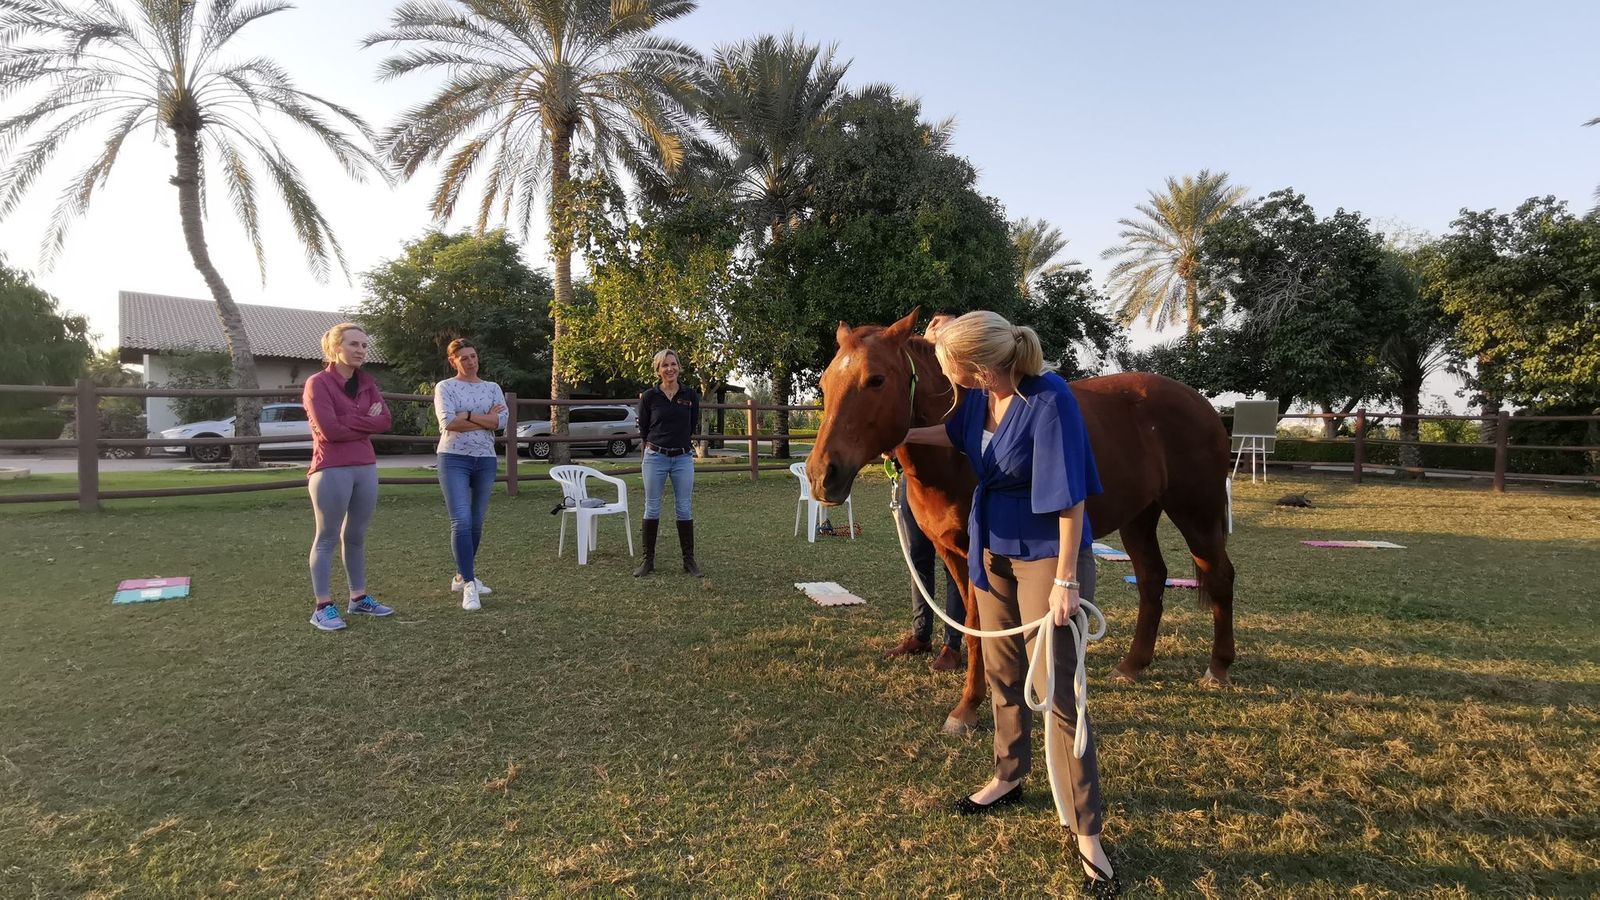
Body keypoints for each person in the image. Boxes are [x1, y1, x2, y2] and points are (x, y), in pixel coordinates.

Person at [902, 311, 1120, 895]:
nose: (955, 382)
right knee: (1001, 672)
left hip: (1047, 553)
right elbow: (952, 436)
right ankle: (1008, 773)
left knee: (1057, 688)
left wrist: (1067, 580)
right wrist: (896, 437)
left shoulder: (1049, 400)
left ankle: (1086, 828)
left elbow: (1070, 500)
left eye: (957, 371)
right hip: (989, 548)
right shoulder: (976, 399)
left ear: (982, 365)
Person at [885, 310, 967, 672]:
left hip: (951, 478)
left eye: (944, 324)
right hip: (913, 478)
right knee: (918, 554)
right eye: (933, 323)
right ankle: (921, 632)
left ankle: (954, 642)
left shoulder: (958, 375)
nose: (935, 326)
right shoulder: (913, 366)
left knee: (954, 559)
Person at [303, 323, 395, 632]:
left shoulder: (368, 383)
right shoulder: (318, 384)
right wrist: (362, 421)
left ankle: (358, 598)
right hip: (330, 468)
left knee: (355, 536)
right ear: (335, 348)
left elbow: (384, 421)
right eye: (354, 344)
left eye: (364, 346)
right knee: (327, 536)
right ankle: (323, 607)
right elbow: (329, 430)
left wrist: (351, 421)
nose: (360, 350)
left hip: (365, 466)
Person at [433, 339, 508, 612]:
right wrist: (481, 416)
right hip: (453, 458)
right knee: (461, 520)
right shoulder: (445, 387)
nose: (470, 361)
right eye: (463, 358)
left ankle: (461, 576)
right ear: (453, 361)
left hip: (485, 460)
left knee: (476, 522)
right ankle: (469, 584)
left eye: (473, 356)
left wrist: (467, 414)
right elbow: (448, 422)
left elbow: (499, 423)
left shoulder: (492, 388)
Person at [633, 349, 703, 578]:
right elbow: (644, 429)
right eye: (665, 365)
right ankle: (648, 561)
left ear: (679, 367)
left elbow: (692, 425)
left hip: (683, 458)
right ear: (658, 370)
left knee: (684, 507)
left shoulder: (690, 395)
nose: (670, 369)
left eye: (673, 364)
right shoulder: (650, 397)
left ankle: (689, 561)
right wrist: (652, 450)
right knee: (651, 506)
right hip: (655, 457)